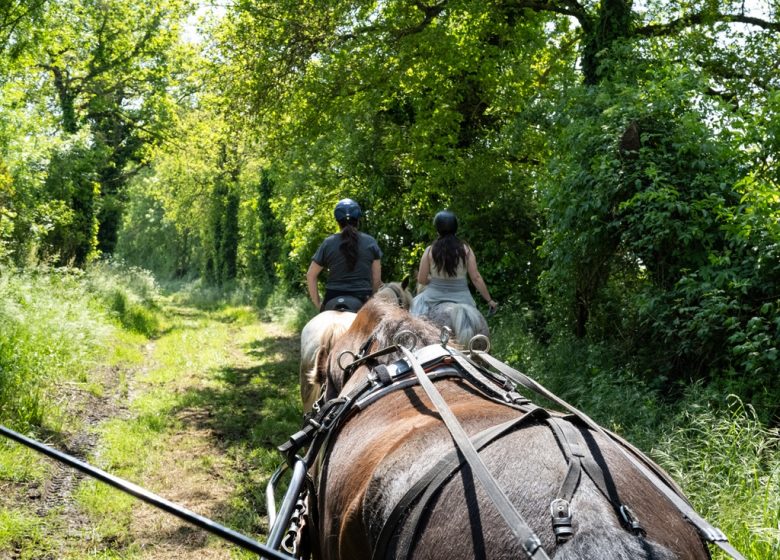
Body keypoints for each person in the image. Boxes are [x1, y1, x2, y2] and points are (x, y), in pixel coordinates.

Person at [411, 210, 498, 316]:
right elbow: (476, 278)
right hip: (462, 299)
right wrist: (489, 300)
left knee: (412, 316)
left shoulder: (429, 250)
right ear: (455, 228)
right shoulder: (466, 249)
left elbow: (421, 280)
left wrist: (434, 280)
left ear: (437, 229)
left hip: (432, 298)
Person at [307, 198, 383, 311]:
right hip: (362, 298)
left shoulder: (328, 243)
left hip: (332, 297)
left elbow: (311, 275)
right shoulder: (370, 242)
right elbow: (376, 279)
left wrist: (318, 303)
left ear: (338, 222)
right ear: (358, 220)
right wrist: (372, 297)